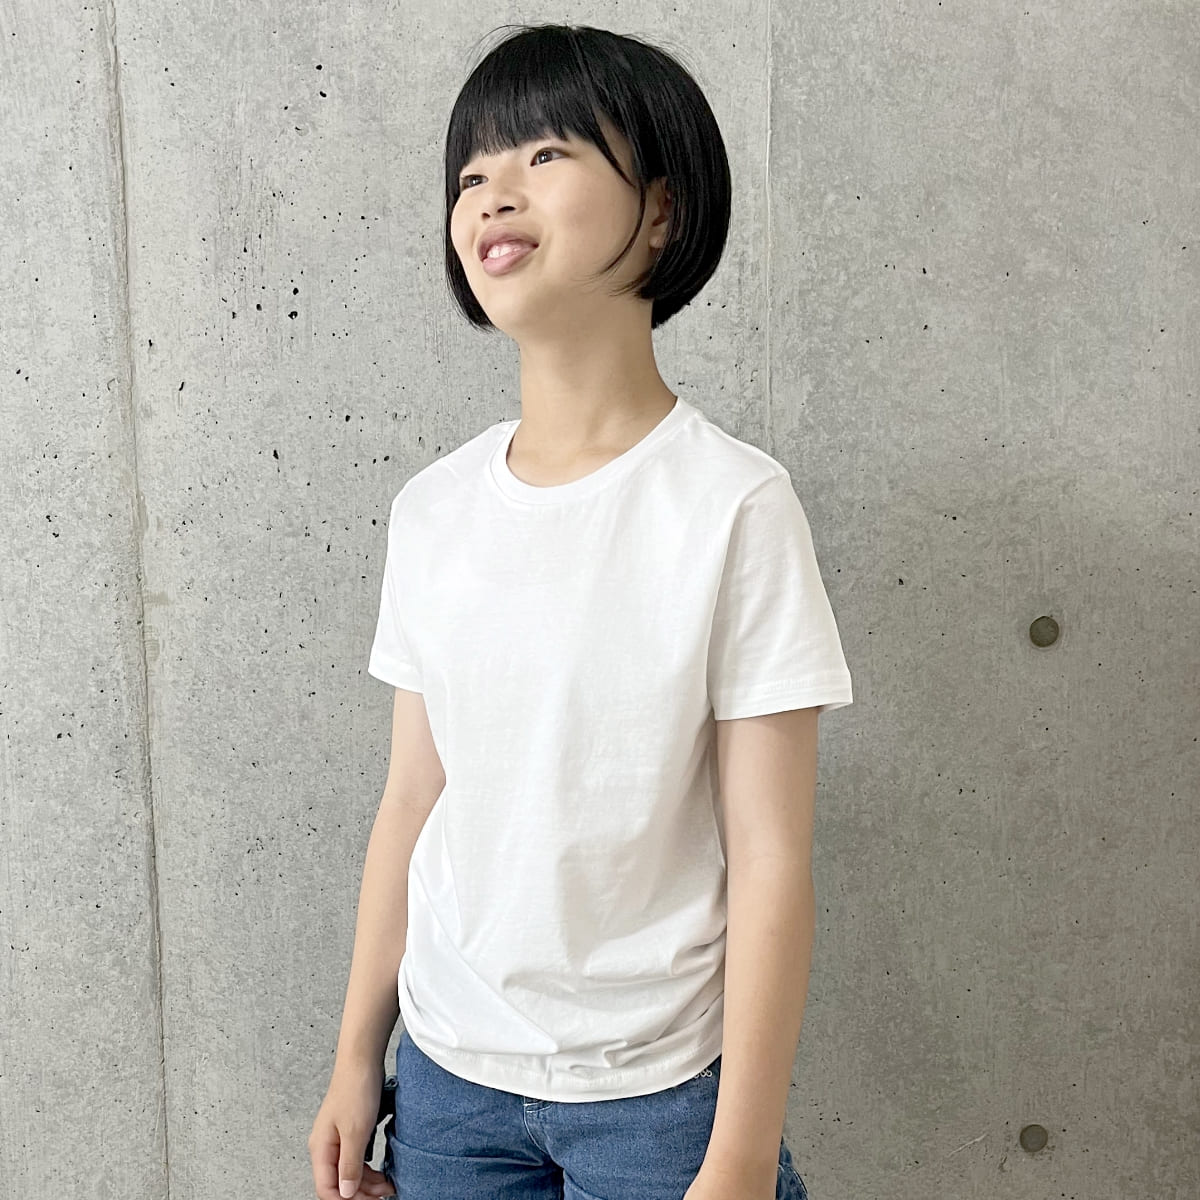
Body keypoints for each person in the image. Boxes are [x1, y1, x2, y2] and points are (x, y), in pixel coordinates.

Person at [308, 21, 852, 1200]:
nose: (493, 195)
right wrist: (357, 1057)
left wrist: (740, 1155)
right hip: (447, 1085)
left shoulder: (733, 506)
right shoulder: (435, 509)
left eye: (545, 154)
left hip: (661, 1099)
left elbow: (772, 859)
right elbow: (412, 801)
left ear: (660, 211)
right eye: (470, 175)